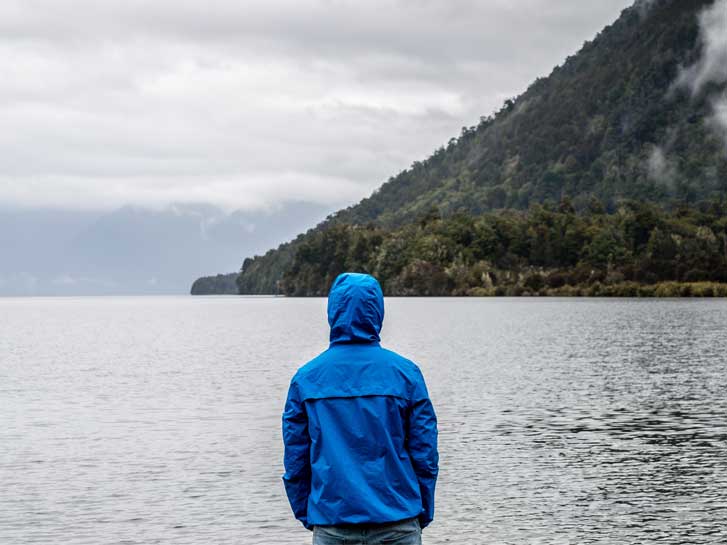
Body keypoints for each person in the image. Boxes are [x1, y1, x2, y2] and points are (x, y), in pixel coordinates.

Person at [282, 272, 439, 545]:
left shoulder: (306, 379)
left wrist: (309, 514)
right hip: (398, 521)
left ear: (333, 311)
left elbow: (296, 462)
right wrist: (421, 509)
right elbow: (425, 455)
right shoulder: (406, 375)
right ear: (377, 310)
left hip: (333, 524)